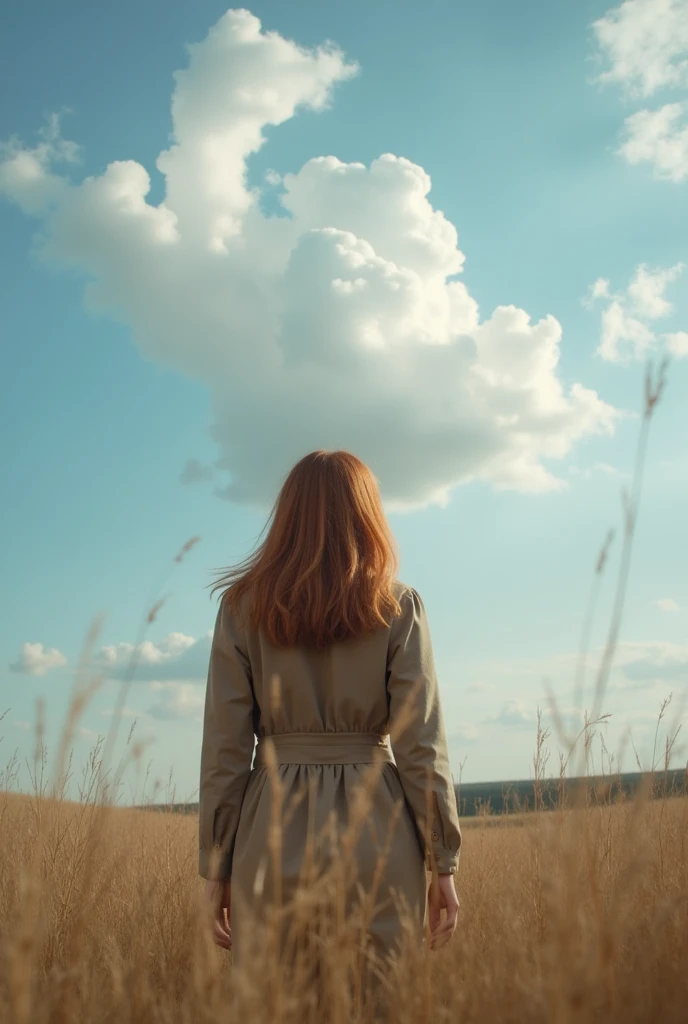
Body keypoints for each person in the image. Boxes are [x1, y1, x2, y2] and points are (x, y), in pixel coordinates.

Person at [198, 450, 461, 999]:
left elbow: (224, 750)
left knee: (276, 1005)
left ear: (286, 515)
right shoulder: (398, 605)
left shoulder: (240, 609)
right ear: (366, 513)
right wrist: (443, 862)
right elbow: (421, 744)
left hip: (269, 828)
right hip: (380, 831)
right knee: (379, 1003)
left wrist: (217, 868)